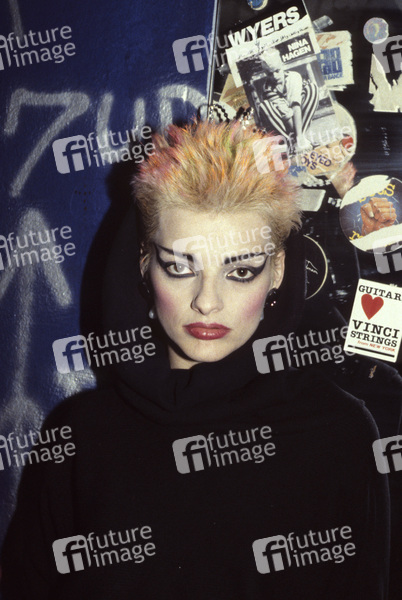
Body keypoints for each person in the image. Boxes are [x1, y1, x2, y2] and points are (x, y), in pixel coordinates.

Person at [1, 120, 390, 599]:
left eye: (241, 271)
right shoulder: (79, 436)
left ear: (277, 272)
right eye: (180, 267)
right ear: (144, 262)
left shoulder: (338, 433)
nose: (207, 301)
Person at [255, 48, 319, 152]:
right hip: (283, 124)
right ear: (266, 73)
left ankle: (300, 138)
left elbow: (296, 106)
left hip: (299, 115)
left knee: (312, 88)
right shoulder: (267, 88)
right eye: (270, 74)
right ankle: (294, 140)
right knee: (264, 106)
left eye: (277, 71)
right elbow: (286, 115)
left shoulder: (294, 77)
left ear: (282, 65)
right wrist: (297, 137)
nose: (275, 76)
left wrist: (299, 137)